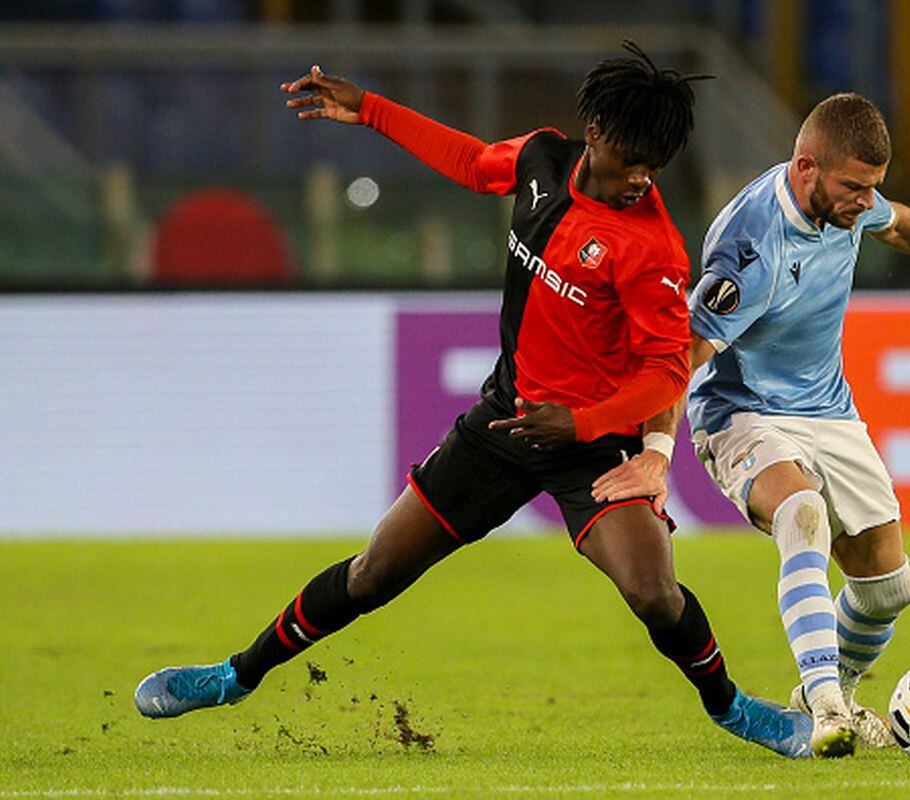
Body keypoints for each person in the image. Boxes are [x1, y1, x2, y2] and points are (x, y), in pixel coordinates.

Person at [134, 43, 815, 759]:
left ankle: (731, 707)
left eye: (653, 167)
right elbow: (468, 160)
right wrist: (367, 109)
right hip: (503, 423)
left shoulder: (653, 249)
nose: (638, 180)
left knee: (654, 593)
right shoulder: (541, 165)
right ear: (594, 135)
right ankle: (233, 676)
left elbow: (666, 373)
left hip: (591, 444)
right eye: (629, 160)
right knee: (374, 572)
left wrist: (585, 422)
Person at [592, 92, 910, 758]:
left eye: (870, 187)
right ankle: (824, 710)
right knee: (802, 512)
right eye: (853, 188)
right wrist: (655, 449)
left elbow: (898, 224)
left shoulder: (849, 200)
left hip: (829, 410)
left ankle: (832, 693)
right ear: (806, 166)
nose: (862, 202)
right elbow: (684, 353)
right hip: (741, 412)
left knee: (887, 587)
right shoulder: (752, 243)